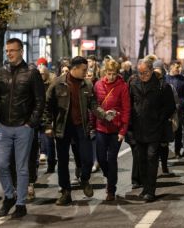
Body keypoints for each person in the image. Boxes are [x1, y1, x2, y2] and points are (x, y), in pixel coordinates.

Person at [44, 56, 116, 206]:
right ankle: (65, 192)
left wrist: (104, 115)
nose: (86, 72)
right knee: (63, 161)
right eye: (84, 69)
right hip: (62, 128)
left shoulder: (87, 85)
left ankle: (84, 179)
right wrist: (47, 126)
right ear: (74, 68)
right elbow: (47, 106)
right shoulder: (58, 83)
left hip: (81, 127)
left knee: (88, 159)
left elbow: (94, 105)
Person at [0, 38, 45, 218]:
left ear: (21, 51)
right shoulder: (0, 72)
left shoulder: (31, 73)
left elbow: (40, 101)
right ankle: (9, 196)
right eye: (7, 51)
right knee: (2, 165)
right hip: (4, 126)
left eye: (12, 50)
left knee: (21, 168)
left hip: (23, 127)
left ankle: (20, 203)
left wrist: (31, 123)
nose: (9, 53)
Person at [129, 59, 176, 202]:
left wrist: (159, 118)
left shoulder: (162, 85)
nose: (142, 75)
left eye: (145, 73)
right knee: (141, 159)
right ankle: (145, 188)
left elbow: (170, 107)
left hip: (155, 128)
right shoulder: (133, 84)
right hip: (138, 128)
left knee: (151, 157)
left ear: (151, 70)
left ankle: (151, 190)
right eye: (140, 73)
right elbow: (130, 104)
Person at [93, 59, 131, 201]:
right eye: (109, 73)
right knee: (101, 158)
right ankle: (110, 176)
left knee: (112, 159)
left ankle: (111, 189)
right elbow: (94, 106)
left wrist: (123, 131)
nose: (111, 76)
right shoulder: (98, 85)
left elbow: (127, 110)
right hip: (101, 127)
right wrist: (92, 126)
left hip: (116, 128)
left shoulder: (122, 86)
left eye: (114, 74)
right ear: (105, 72)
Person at [165, 60, 184, 158]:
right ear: (171, 67)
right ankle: (164, 153)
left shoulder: (183, 79)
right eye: (176, 67)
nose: (179, 69)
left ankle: (177, 151)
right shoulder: (165, 79)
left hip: (179, 108)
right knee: (166, 130)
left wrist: (183, 103)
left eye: (179, 67)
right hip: (167, 108)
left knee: (178, 131)